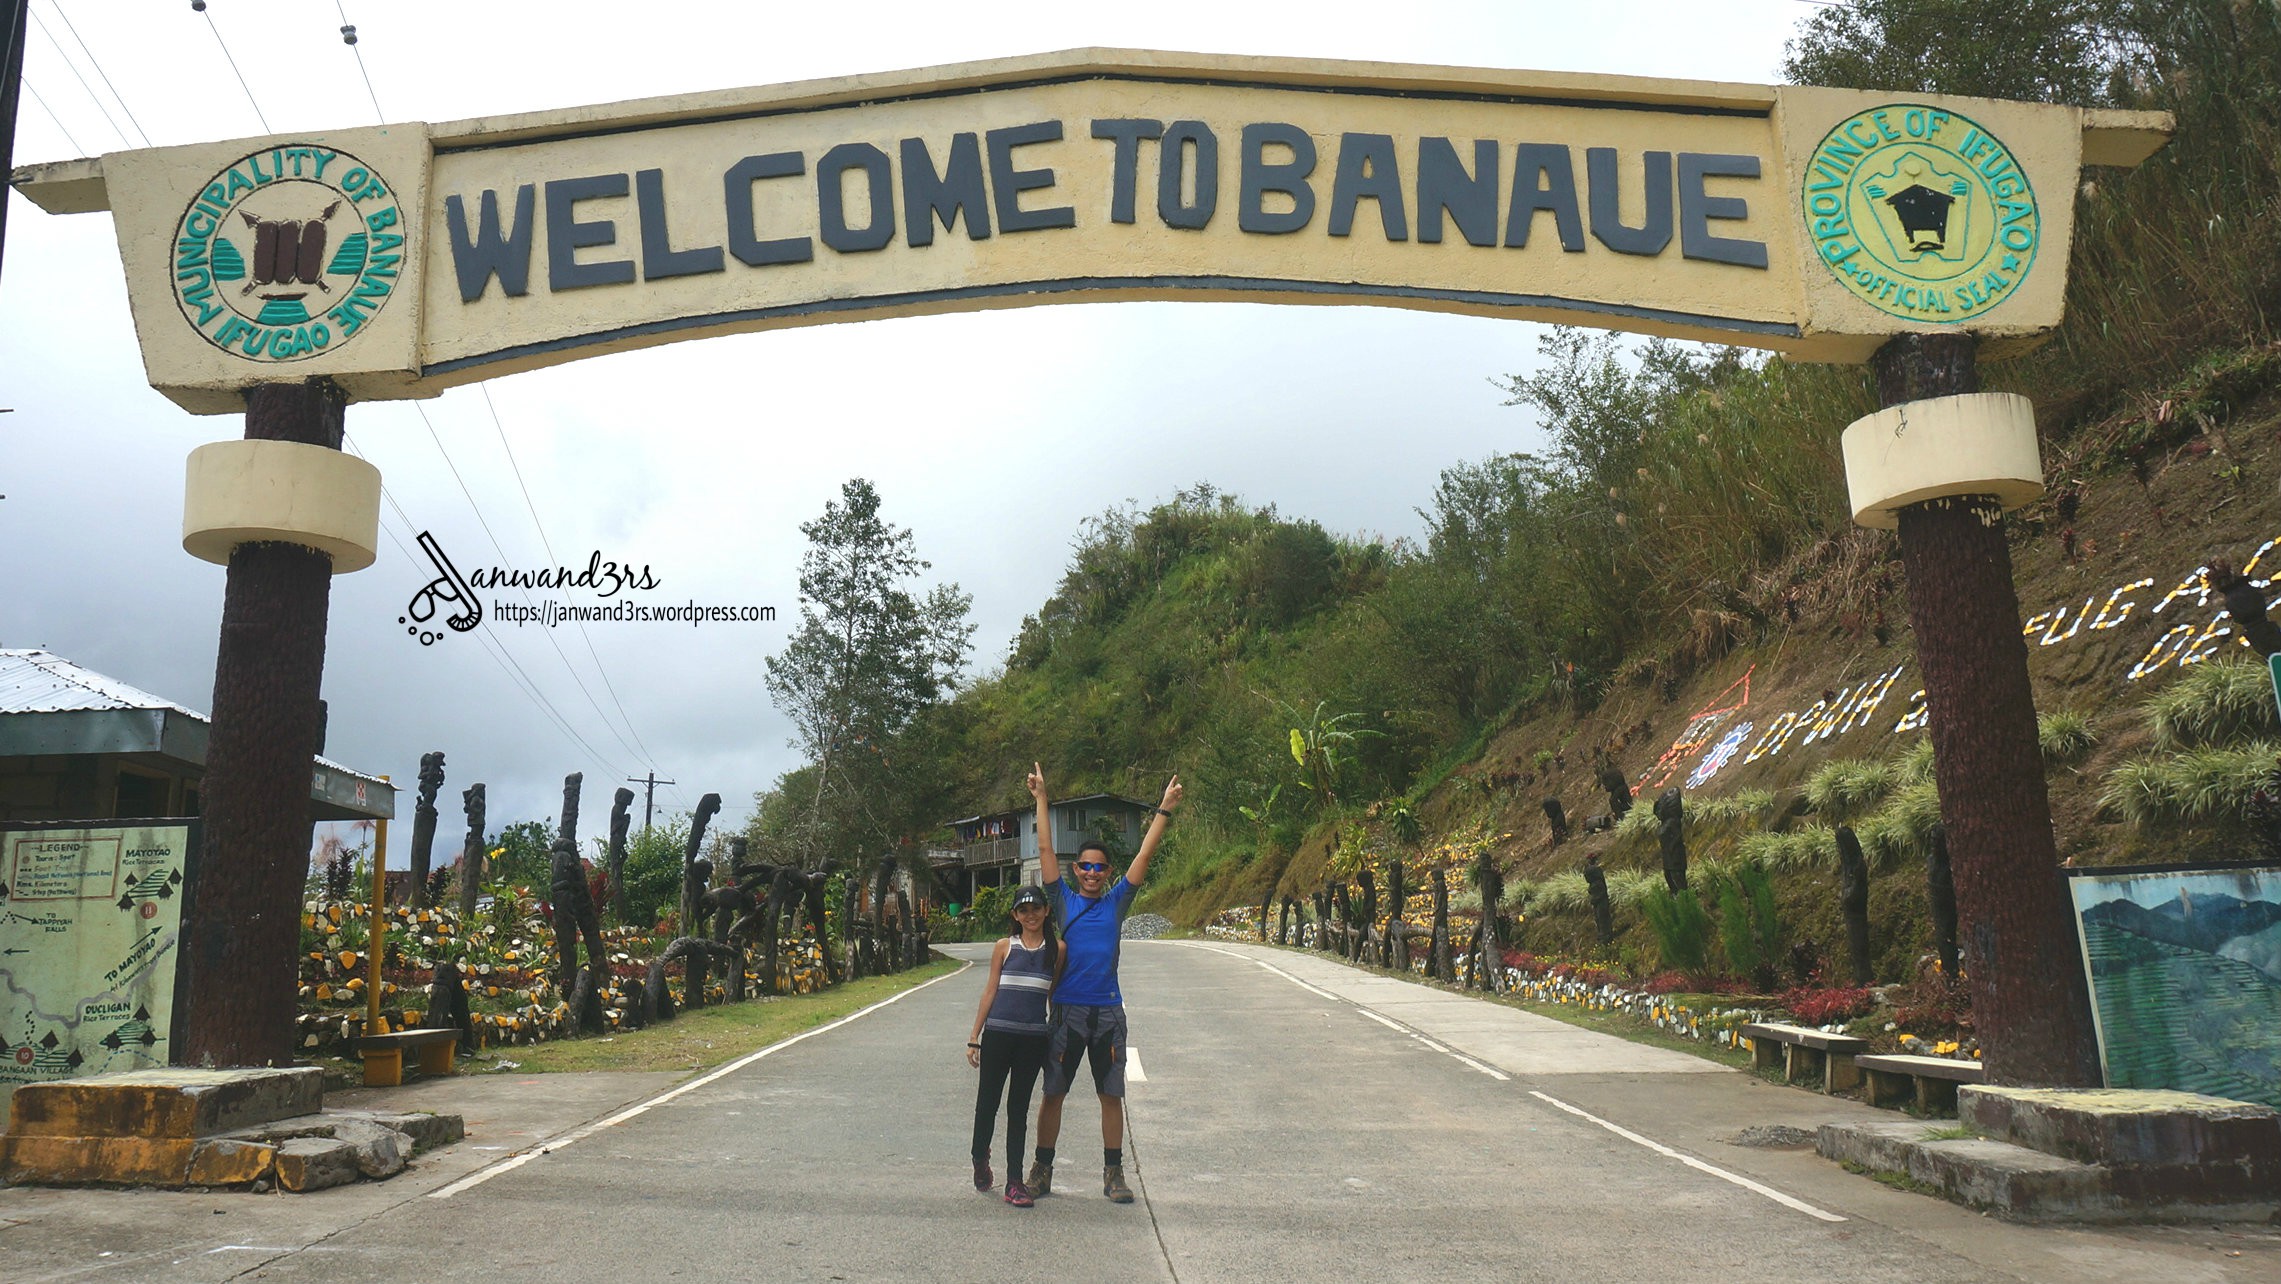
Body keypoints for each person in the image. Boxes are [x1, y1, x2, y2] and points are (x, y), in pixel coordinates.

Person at [1023, 762, 1181, 1204]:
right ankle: (1042, 1170)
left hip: (1108, 1013)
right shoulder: (1063, 901)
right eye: (1085, 867)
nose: (1092, 873)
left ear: (1108, 872)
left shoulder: (1116, 903)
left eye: (1100, 868)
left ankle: (1114, 1173)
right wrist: (1041, 798)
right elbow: (1045, 848)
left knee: (1111, 1096)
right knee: (1053, 1093)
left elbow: (1144, 856)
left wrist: (1164, 809)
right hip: (1067, 1012)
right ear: (1076, 871)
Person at [966, 883, 1062, 1206]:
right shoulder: (1004, 947)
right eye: (1024, 910)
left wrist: (1056, 1038)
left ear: (1046, 911)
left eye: (1036, 908)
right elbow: (990, 990)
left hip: (1033, 1040)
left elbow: (1053, 996)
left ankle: (1014, 1182)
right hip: (998, 1035)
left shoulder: (1057, 950)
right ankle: (980, 1157)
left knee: (1018, 1109)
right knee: (987, 1103)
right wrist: (974, 1037)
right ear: (1015, 915)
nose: (1030, 915)